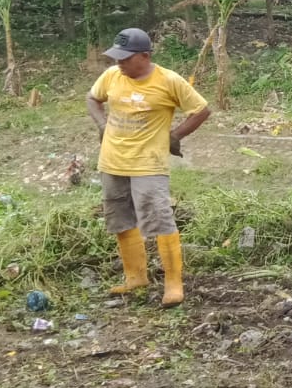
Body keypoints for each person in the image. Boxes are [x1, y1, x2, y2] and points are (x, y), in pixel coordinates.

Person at [87, 28, 212, 307]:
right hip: (112, 161)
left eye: (125, 58)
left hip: (149, 163)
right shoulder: (112, 76)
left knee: (159, 218)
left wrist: (175, 135)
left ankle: (173, 283)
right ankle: (135, 277)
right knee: (120, 218)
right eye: (116, 57)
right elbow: (92, 98)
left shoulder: (169, 80)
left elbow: (201, 110)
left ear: (144, 56)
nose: (119, 62)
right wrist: (102, 124)